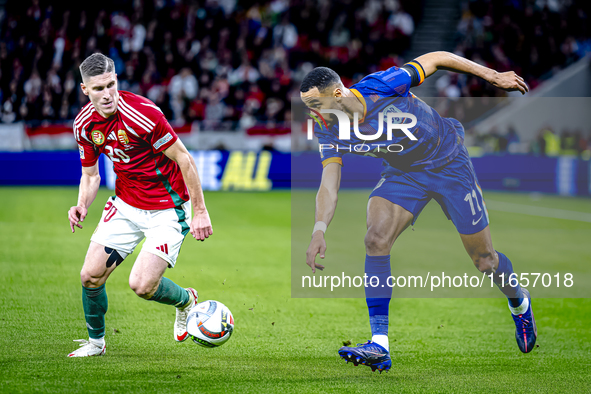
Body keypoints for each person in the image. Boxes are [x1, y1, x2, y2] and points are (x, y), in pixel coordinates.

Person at [301, 51, 536, 372]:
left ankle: (518, 300)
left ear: (338, 95)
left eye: (316, 105)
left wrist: (492, 76)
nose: (313, 115)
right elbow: (329, 181)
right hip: (404, 173)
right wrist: (319, 229)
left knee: (485, 261)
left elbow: (437, 58)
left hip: (449, 162)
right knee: (375, 239)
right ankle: (379, 344)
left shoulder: (381, 85)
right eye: (308, 107)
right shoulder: (326, 126)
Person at [67, 53, 213, 357]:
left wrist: (200, 211)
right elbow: (90, 174)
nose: (107, 95)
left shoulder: (143, 114)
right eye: (98, 89)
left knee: (142, 285)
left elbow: (184, 158)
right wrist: (82, 204)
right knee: (89, 276)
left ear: (117, 80)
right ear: (85, 90)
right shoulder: (83, 125)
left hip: (168, 208)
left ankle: (186, 300)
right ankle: (96, 344)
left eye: (111, 84)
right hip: (126, 204)